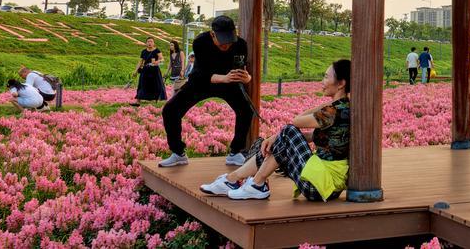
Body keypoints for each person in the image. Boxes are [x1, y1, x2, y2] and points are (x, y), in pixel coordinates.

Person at [201, 59, 351, 201]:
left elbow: (296, 121)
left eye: (326, 77)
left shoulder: (335, 111)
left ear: (341, 84)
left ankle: (255, 183)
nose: (322, 82)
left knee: (288, 130)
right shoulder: (341, 109)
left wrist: (325, 105)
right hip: (322, 182)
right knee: (282, 140)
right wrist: (278, 139)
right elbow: (312, 136)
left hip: (321, 185)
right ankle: (233, 180)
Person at [159, 16, 253, 168]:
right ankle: (178, 154)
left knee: (246, 110)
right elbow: (202, 74)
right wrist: (224, 78)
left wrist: (247, 78)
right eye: (222, 41)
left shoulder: (240, 44)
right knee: (170, 110)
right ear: (212, 34)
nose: (226, 45)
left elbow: (241, 69)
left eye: (229, 40)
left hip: (229, 82)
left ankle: (235, 153)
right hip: (201, 82)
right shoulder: (200, 42)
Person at [133, 37, 166, 104]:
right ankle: (138, 100)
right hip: (145, 70)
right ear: (146, 43)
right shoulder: (144, 51)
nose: (149, 43)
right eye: (148, 41)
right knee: (142, 84)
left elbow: (162, 59)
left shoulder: (157, 50)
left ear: (153, 43)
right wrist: (135, 70)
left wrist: (158, 61)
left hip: (155, 70)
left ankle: (155, 99)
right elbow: (140, 62)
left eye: (151, 41)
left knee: (156, 85)